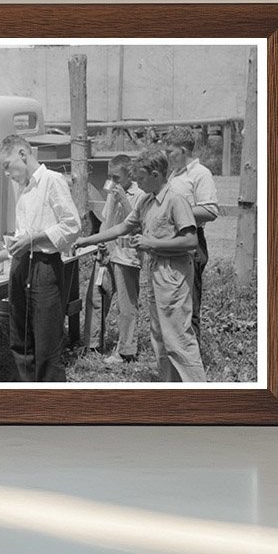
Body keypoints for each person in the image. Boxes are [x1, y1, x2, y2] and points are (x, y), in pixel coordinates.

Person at [75, 148, 206, 383]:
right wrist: (87, 240)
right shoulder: (146, 200)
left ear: (156, 175)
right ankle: (171, 388)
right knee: (160, 337)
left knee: (178, 338)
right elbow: (121, 228)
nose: (138, 182)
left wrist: (150, 242)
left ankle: (197, 392)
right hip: (156, 273)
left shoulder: (175, 199)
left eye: (141, 178)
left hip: (174, 275)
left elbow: (190, 241)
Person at [0, 134, 80, 383]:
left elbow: (72, 226)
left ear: (22, 155)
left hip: (45, 269)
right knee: (20, 339)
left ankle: (51, 404)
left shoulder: (52, 181)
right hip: (21, 266)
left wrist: (33, 239)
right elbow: (21, 238)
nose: (6, 174)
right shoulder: (21, 188)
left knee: (46, 342)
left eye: (6, 166)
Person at [164, 126, 220, 342]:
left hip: (191, 243)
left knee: (189, 304)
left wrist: (174, 211)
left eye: (171, 151)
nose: (167, 156)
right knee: (173, 301)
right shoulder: (174, 174)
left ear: (184, 150)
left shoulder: (200, 174)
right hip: (171, 242)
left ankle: (193, 361)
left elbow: (210, 211)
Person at [84, 154, 141, 363]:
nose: (113, 182)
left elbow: (138, 223)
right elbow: (106, 220)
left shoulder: (139, 194)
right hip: (108, 251)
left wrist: (124, 200)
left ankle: (126, 350)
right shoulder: (111, 193)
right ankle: (92, 345)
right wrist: (100, 241)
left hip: (127, 256)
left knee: (126, 305)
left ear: (130, 174)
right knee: (97, 296)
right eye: (110, 177)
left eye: (117, 177)